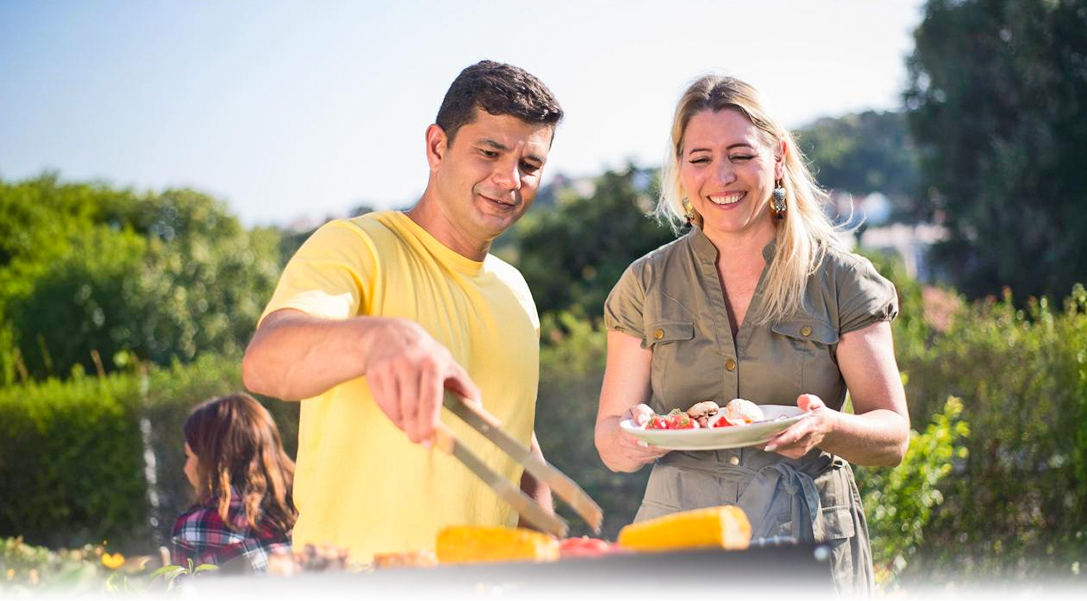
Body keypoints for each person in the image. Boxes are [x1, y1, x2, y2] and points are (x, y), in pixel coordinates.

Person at [594, 75, 909, 595]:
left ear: (778, 157)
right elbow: (608, 436)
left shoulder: (840, 279)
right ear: (680, 169)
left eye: (740, 154)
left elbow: (893, 435)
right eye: (700, 159)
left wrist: (827, 427)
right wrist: (632, 439)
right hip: (678, 541)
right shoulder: (644, 283)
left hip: (806, 541)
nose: (721, 176)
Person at [241, 60, 563, 562]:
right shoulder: (355, 246)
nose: (509, 180)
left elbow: (517, 447)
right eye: (489, 152)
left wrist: (555, 557)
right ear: (437, 147)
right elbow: (265, 362)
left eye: (530, 165)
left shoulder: (516, 292)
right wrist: (378, 338)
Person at [172, 393, 296, 573]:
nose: (185, 468)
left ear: (211, 462)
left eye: (188, 456)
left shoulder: (194, 528)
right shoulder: (301, 508)